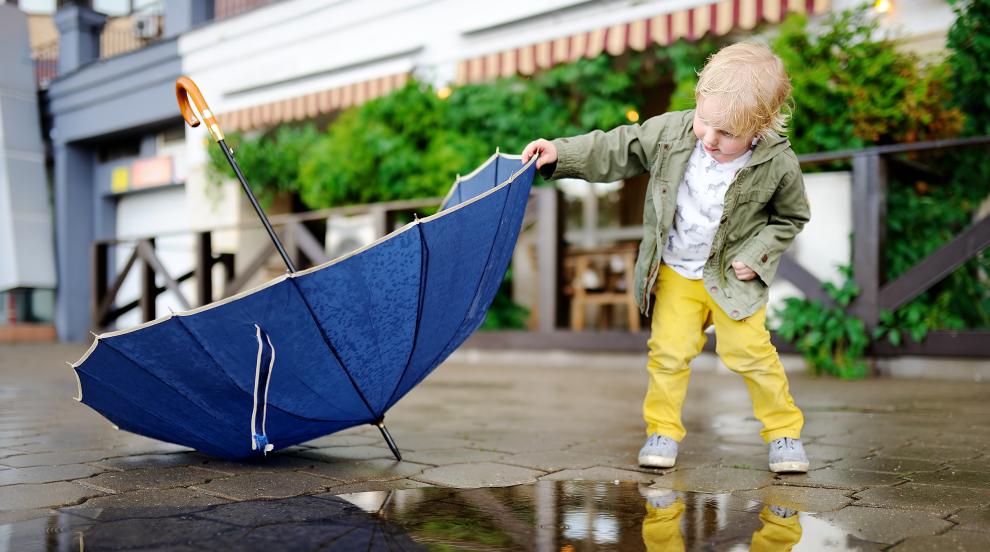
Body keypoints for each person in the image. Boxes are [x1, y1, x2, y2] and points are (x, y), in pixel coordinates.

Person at [521, 42, 810, 473]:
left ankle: (784, 434)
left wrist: (757, 253)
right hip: (676, 270)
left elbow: (791, 216)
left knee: (751, 353)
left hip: (733, 278)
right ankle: (662, 431)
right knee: (668, 354)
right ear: (698, 103)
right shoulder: (672, 133)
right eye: (705, 122)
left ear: (761, 127)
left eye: (727, 134)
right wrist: (563, 153)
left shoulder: (778, 163)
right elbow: (617, 148)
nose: (710, 139)